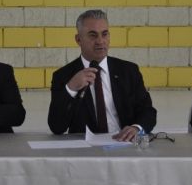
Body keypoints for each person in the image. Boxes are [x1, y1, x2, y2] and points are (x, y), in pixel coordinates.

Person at [48, 9, 156, 142]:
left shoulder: (128, 71)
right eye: (93, 35)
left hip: (124, 144)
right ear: (78, 39)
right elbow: (56, 127)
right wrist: (71, 88)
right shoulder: (63, 76)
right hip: (84, 148)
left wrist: (137, 128)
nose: (100, 41)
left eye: (104, 34)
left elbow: (148, 112)